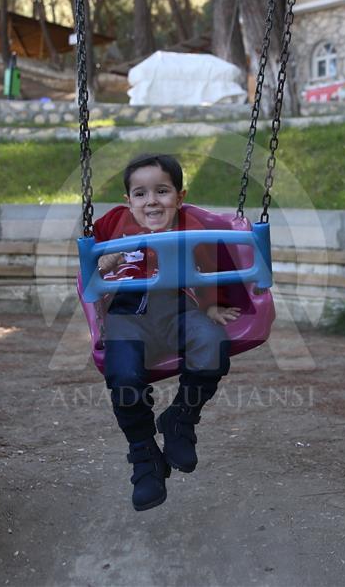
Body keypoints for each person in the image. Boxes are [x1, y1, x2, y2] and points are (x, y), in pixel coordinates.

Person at [93, 153, 241, 511]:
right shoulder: (113, 223)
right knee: (124, 377)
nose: (152, 201)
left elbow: (210, 264)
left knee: (211, 342)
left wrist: (211, 304)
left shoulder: (191, 226)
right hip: (126, 313)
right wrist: (103, 260)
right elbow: (90, 263)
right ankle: (144, 456)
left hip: (178, 307)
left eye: (162, 191)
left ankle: (181, 419)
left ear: (180, 195)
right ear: (128, 200)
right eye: (140, 194)